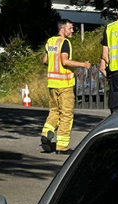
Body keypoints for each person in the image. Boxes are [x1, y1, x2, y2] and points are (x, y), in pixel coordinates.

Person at [40, 19, 91, 155]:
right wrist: (83, 65)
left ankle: (46, 133)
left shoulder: (50, 42)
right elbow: (65, 61)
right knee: (66, 115)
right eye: (70, 28)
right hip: (64, 84)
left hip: (52, 83)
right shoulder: (65, 42)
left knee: (54, 111)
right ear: (62, 29)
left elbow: (45, 60)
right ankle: (62, 147)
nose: (72, 31)